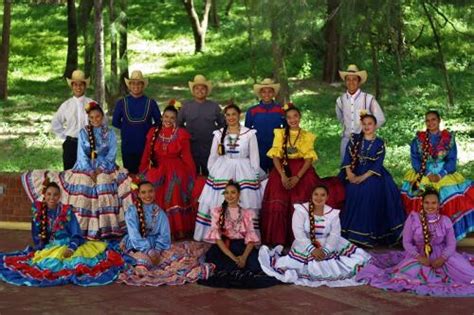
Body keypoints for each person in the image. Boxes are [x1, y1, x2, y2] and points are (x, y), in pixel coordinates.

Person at [23, 102, 133, 239]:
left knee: (104, 183)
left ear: (102, 116)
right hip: (85, 166)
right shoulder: (83, 132)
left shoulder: (109, 133)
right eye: (92, 117)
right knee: (84, 184)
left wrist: (100, 169)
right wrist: (89, 171)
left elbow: (111, 154)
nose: (95, 120)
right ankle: (81, 230)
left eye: (98, 116)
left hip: (105, 166)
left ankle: (107, 228)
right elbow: (81, 155)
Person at [0, 181, 124, 287]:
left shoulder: (67, 211)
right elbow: (36, 234)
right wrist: (40, 249)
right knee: (46, 265)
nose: (52, 198)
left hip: (70, 244)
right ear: (44, 195)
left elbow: (76, 233)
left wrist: (71, 248)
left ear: (59, 196)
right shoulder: (39, 212)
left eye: (55, 195)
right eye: (49, 194)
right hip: (51, 247)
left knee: (78, 264)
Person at [356, 189, 474, 297]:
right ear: (422, 203)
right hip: (418, 254)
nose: (430, 206)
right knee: (413, 272)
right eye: (427, 202)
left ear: (439, 204)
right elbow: (406, 242)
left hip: (442, 253)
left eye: (434, 203)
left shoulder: (445, 220)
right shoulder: (413, 219)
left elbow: (451, 244)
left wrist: (442, 258)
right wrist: (419, 257)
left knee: (464, 273)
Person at [260, 105, 345, 247]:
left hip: (301, 170)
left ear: (300, 117)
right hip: (282, 169)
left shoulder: (306, 135)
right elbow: (275, 156)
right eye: (289, 117)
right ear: (285, 119)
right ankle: (278, 240)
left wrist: (298, 177)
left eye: (295, 116)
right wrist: (282, 175)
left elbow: (308, 159)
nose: (293, 119)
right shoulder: (280, 134)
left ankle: (300, 239)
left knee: (302, 197)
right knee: (278, 197)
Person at [259, 185, 370, 288]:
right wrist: (312, 249)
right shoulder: (301, 211)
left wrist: (326, 251)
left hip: (328, 244)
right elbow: (298, 233)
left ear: (327, 197)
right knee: (305, 266)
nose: (319, 197)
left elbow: (335, 235)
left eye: (322, 195)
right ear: (311, 196)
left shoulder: (332, 214)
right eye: (316, 194)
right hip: (304, 244)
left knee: (350, 263)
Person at [118, 181, 214, 286]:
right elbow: (134, 235)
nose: (147, 195)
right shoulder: (132, 211)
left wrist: (158, 250)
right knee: (142, 265)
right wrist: (148, 251)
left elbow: (164, 235)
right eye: (144, 192)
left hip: (157, 245)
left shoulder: (160, 212)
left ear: (154, 193)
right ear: (139, 194)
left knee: (177, 260)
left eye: (150, 191)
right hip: (136, 245)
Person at [194, 104, 263, 242]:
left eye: (234, 114)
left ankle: (246, 234)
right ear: (225, 117)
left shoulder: (249, 133)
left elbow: (254, 156)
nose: (231, 117)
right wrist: (212, 171)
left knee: (245, 199)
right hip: (223, 167)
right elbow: (213, 155)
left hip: (244, 168)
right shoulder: (219, 133)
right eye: (228, 115)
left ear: (239, 116)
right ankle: (217, 233)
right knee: (219, 199)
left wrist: (255, 173)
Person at [400, 110, 474, 240]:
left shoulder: (449, 139)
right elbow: (415, 161)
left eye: (433, 119)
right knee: (419, 196)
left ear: (439, 120)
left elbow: (452, 160)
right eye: (427, 120)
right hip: (423, 172)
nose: (430, 122)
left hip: (444, 173)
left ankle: (446, 236)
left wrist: (441, 174)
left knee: (449, 195)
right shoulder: (417, 140)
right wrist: (427, 173)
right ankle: (422, 237)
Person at [339, 113, 405, 247]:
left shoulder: (379, 143)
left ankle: (365, 234)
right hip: (353, 170)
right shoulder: (355, 139)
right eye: (364, 124)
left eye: (370, 124)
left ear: (375, 126)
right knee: (349, 189)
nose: (367, 126)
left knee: (369, 189)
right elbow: (347, 157)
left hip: (372, 173)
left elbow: (377, 165)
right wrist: (350, 174)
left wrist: (361, 178)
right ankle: (348, 232)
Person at [198, 181, 280, 288]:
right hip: (224, 247)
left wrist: (244, 257)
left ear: (239, 194)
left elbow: (251, 238)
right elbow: (218, 239)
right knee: (225, 266)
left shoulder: (246, 213)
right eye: (226, 192)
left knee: (255, 265)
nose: (229, 195)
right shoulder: (217, 212)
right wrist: (234, 258)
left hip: (242, 247)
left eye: (233, 192)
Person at [139, 105, 196, 240]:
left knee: (174, 188)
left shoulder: (181, 134)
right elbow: (147, 153)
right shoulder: (154, 132)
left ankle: (177, 229)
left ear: (176, 119)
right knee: (153, 186)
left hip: (175, 166)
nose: (168, 120)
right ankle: (156, 228)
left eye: (172, 117)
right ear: (162, 117)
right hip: (157, 166)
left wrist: (191, 174)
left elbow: (187, 156)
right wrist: (142, 169)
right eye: (166, 116)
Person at [112, 70, 161, 174]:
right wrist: (127, 128)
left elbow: (158, 122)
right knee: (130, 175)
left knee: (145, 174)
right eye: (133, 83)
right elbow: (115, 122)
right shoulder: (122, 102)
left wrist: (148, 131)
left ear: (143, 85)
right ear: (129, 85)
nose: (136, 86)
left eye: (139, 83)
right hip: (128, 144)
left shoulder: (150, 102)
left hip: (146, 145)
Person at [177, 74, 225, 176]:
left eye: (203, 88)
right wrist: (186, 135)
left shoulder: (214, 106)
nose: (200, 91)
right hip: (191, 147)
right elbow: (179, 124)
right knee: (192, 173)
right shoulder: (186, 107)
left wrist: (215, 136)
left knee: (210, 174)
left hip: (210, 147)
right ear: (193, 91)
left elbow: (223, 123)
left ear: (207, 91)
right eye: (197, 88)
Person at [336, 64, 385, 160]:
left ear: (359, 82)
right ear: (345, 81)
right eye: (348, 79)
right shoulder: (340, 100)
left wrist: (368, 132)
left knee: (362, 169)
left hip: (364, 141)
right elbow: (341, 118)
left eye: (354, 79)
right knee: (345, 170)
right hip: (346, 140)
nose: (351, 82)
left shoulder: (368, 99)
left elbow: (380, 119)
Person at [51, 69, 95, 170]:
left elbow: (102, 122)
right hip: (71, 145)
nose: (78, 87)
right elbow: (55, 123)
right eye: (75, 85)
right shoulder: (66, 105)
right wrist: (66, 136)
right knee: (69, 175)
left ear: (85, 86)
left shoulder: (92, 104)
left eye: (81, 85)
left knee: (89, 174)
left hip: (89, 144)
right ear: (72, 86)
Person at [245, 78, 286, 173]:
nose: (267, 94)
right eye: (263, 92)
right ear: (260, 94)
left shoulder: (280, 110)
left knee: (275, 175)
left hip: (276, 148)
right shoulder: (252, 111)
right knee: (259, 175)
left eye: (270, 91)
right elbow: (246, 131)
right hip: (258, 149)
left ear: (274, 93)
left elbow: (285, 128)